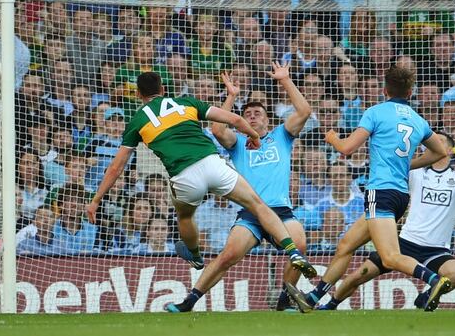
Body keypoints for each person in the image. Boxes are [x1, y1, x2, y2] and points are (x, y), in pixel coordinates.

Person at [87, 72, 316, 283]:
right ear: (164, 89)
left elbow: (116, 168)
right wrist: (254, 135)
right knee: (257, 204)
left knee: (185, 217)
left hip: (184, 176)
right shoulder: (186, 103)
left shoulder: (137, 121)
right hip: (212, 163)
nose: (253, 116)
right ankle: (292, 251)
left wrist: (96, 199)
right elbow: (231, 122)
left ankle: (195, 256)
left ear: (138, 95)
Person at [284, 65, 450, 313]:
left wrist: (332, 138)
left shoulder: (376, 112)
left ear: (384, 90)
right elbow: (440, 152)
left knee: (390, 257)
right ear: (411, 92)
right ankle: (313, 298)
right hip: (399, 195)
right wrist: (406, 165)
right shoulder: (418, 120)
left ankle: (435, 280)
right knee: (346, 246)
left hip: (379, 192)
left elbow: (347, 149)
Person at [167, 62, 312, 312]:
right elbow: (218, 128)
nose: (252, 116)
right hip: (251, 213)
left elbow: (304, 111)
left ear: (268, 118)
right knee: (228, 256)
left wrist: (285, 80)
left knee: (299, 246)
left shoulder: (282, 135)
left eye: (257, 112)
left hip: (281, 210)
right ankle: (189, 301)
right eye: (248, 114)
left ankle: (284, 299)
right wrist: (231, 96)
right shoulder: (239, 142)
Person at [317, 134, 455, 310]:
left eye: (440, 140)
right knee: (357, 276)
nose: (434, 142)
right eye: (432, 140)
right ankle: (330, 305)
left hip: (436, 249)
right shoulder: (415, 173)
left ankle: (426, 297)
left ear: (450, 150)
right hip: (404, 243)